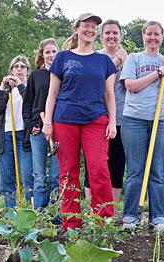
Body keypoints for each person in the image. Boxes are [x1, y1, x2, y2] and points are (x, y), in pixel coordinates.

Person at [42, 13, 118, 231]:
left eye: (94, 26)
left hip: (96, 120)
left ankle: (102, 221)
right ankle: (71, 223)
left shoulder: (104, 61)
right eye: (85, 25)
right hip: (65, 120)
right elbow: (52, 93)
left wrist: (112, 122)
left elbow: (110, 95)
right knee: (68, 172)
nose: (90, 29)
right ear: (76, 29)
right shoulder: (63, 58)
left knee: (99, 169)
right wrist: (48, 122)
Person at [120, 21, 164, 233]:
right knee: (135, 169)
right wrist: (157, 73)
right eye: (149, 34)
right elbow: (131, 86)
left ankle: (158, 218)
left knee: (158, 170)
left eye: (157, 34)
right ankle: (130, 216)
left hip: (163, 120)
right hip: (134, 119)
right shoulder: (134, 58)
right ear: (143, 35)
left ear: (162, 37)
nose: (153, 38)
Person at [84, 19, 128, 202]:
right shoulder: (94, 57)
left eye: (115, 33)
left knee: (117, 164)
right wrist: (117, 60)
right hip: (96, 117)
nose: (111, 36)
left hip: (121, 118)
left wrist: (124, 61)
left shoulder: (129, 59)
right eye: (107, 33)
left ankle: (113, 209)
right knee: (93, 163)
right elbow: (97, 83)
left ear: (120, 36)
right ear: (101, 37)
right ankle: (90, 207)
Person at [23, 39, 60, 210]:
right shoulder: (36, 76)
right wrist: (31, 125)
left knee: (55, 175)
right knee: (39, 176)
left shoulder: (64, 73)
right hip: (38, 130)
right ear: (42, 55)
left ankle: (55, 214)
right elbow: (28, 104)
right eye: (47, 52)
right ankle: (39, 213)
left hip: (59, 129)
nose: (51, 55)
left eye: (54, 51)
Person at [0, 55, 34, 208]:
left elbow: (32, 103)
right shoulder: (6, 90)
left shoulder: (30, 88)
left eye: (22, 67)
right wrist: (3, 88)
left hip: (24, 135)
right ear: (11, 71)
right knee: (7, 177)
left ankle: (31, 209)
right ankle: (11, 210)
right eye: (15, 67)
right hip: (6, 135)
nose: (19, 69)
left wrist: (21, 85)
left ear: (27, 71)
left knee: (27, 175)